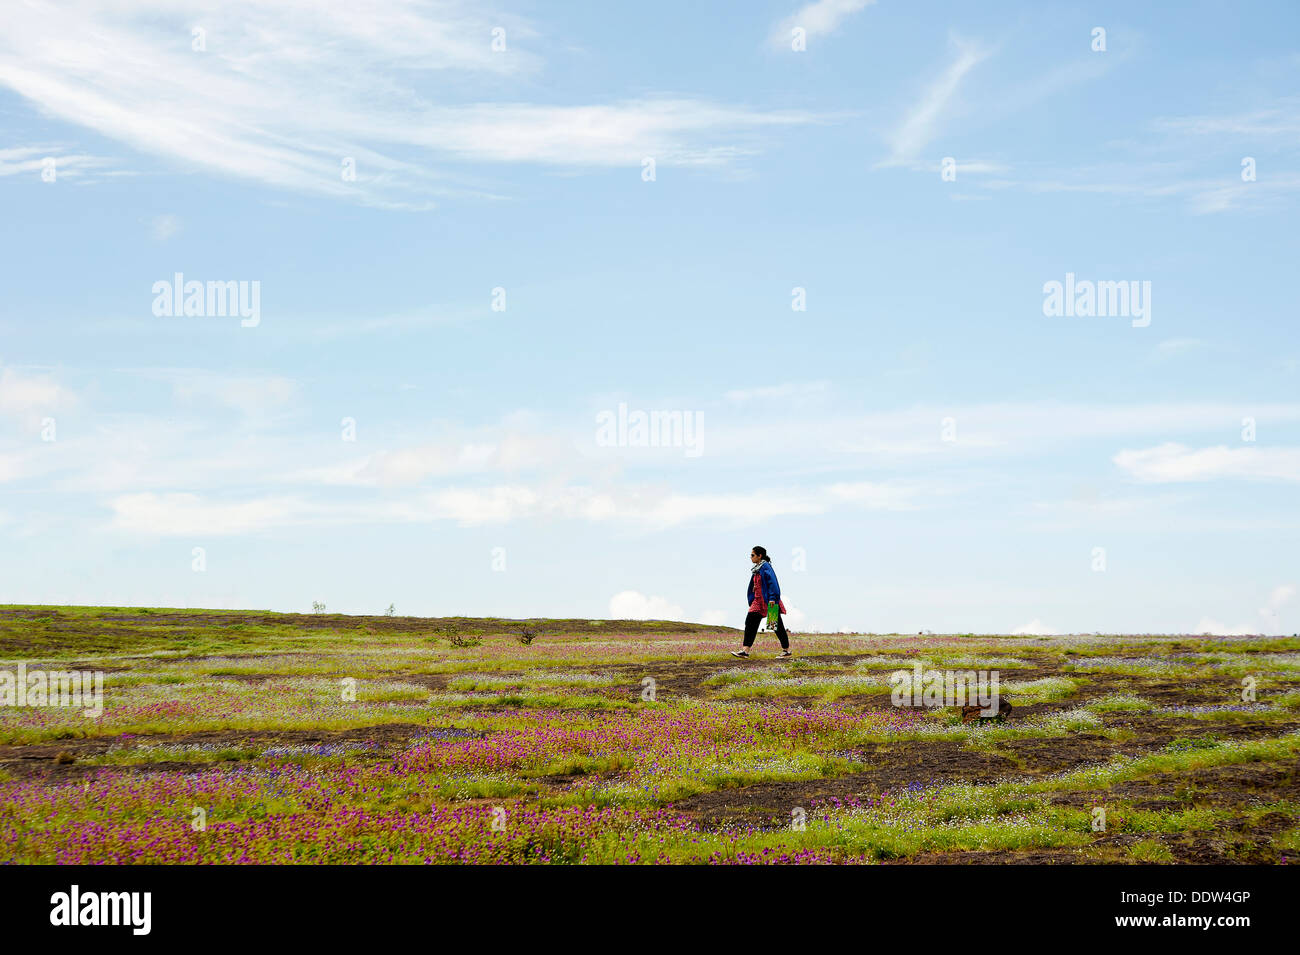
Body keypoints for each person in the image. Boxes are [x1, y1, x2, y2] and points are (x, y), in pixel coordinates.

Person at [732, 545, 791, 658]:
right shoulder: (757, 569)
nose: (751, 557)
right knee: (750, 623)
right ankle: (745, 651)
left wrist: (773, 598)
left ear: (760, 556)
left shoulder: (766, 567)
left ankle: (786, 650)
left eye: (753, 555)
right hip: (758, 601)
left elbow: (773, 582)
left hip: (769, 601)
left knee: (775, 625)